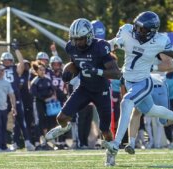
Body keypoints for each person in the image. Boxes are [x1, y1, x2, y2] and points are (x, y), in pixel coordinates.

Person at [102, 11, 173, 166]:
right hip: (128, 81)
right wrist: (111, 44)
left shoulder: (160, 41)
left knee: (126, 103)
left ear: (152, 32)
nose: (138, 31)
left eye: (143, 29)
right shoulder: (126, 30)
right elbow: (110, 43)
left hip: (144, 82)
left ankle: (115, 145)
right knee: (151, 110)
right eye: (137, 27)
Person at [44, 18, 121, 163]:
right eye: (75, 39)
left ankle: (110, 152)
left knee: (105, 130)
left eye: (81, 39)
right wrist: (69, 69)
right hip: (84, 88)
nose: (78, 42)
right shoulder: (71, 47)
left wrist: (96, 71)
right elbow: (76, 63)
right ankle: (64, 127)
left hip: (102, 91)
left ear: (90, 36)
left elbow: (116, 73)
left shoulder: (100, 47)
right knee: (61, 118)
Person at [0, 42, 35, 151]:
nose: (7, 62)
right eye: (5, 61)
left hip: (14, 97)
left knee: (21, 120)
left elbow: (21, 63)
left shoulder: (16, 69)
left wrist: (16, 50)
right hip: (2, 98)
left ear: (12, 61)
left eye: (9, 60)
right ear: (2, 61)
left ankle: (28, 142)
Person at [30, 61, 57, 150]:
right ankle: (39, 141)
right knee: (39, 121)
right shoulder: (35, 81)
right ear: (36, 71)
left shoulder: (47, 80)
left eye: (43, 69)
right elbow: (34, 93)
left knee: (48, 121)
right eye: (40, 70)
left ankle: (48, 140)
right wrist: (44, 99)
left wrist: (52, 96)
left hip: (48, 104)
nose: (42, 71)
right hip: (38, 103)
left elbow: (52, 90)